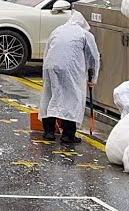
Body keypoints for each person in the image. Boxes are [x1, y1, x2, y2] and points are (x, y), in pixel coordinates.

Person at [38, 10, 99, 145]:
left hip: (50, 65)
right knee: (72, 98)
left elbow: (47, 50)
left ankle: (48, 132)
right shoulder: (85, 34)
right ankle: (68, 134)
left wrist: (46, 71)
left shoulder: (58, 30)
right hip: (71, 68)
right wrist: (93, 78)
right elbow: (93, 58)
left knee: (50, 95)